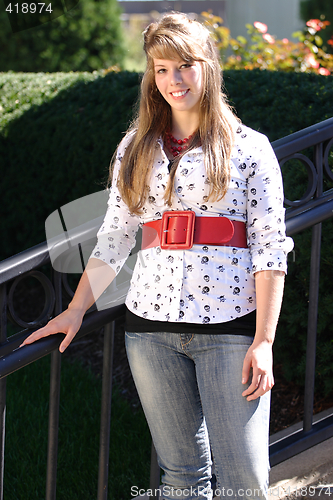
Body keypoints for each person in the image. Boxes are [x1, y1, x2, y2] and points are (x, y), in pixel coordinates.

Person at [22, 12, 293, 500]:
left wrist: (264, 341)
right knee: (182, 479)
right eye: (162, 69)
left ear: (207, 66)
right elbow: (114, 236)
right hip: (149, 332)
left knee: (246, 482)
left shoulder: (251, 149)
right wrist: (76, 309)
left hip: (231, 332)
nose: (174, 80)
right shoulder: (135, 147)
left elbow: (270, 248)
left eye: (185, 65)